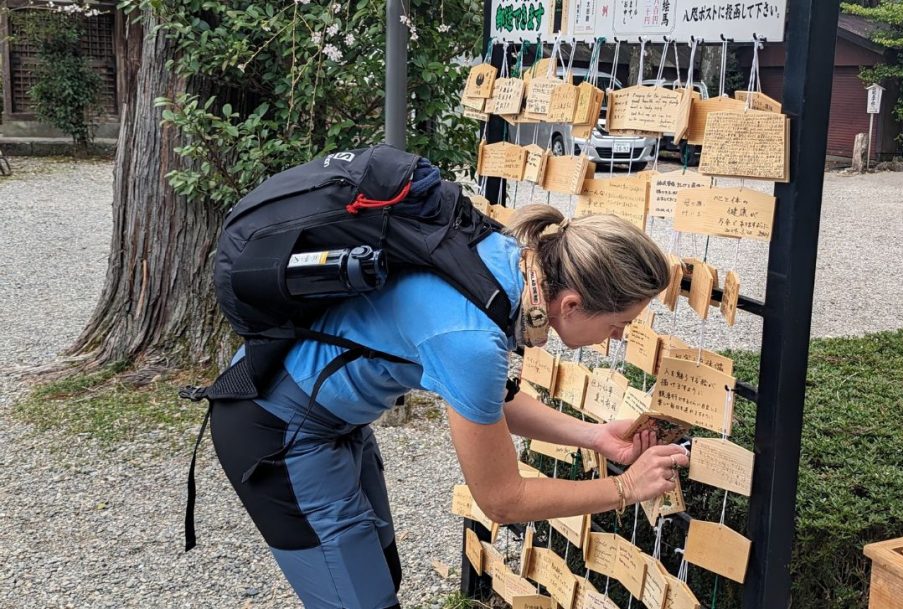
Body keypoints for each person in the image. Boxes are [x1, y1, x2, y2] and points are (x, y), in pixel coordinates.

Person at [210, 203, 691, 609]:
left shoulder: (503, 264)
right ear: (569, 304)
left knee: (380, 578)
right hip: (277, 435)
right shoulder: (473, 339)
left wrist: (594, 435)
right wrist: (625, 487)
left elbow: (487, 400)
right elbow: (502, 500)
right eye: (619, 322)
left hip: (332, 423)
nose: (618, 337)